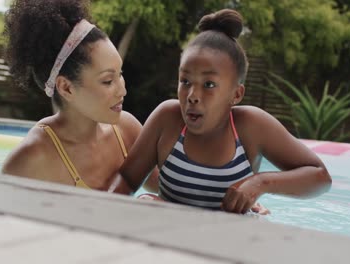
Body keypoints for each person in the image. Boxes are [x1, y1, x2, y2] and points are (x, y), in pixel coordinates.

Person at [119, 9, 332, 213]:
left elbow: (321, 177)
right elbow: (126, 182)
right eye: (185, 81)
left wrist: (260, 183)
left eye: (209, 84)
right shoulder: (167, 119)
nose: (192, 95)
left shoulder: (250, 126)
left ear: (236, 95)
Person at [1, 0, 157, 194]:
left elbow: (176, 194)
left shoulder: (127, 131)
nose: (122, 91)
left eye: (120, 74)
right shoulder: (30, 160)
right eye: (108, 81)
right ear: (66, 88)